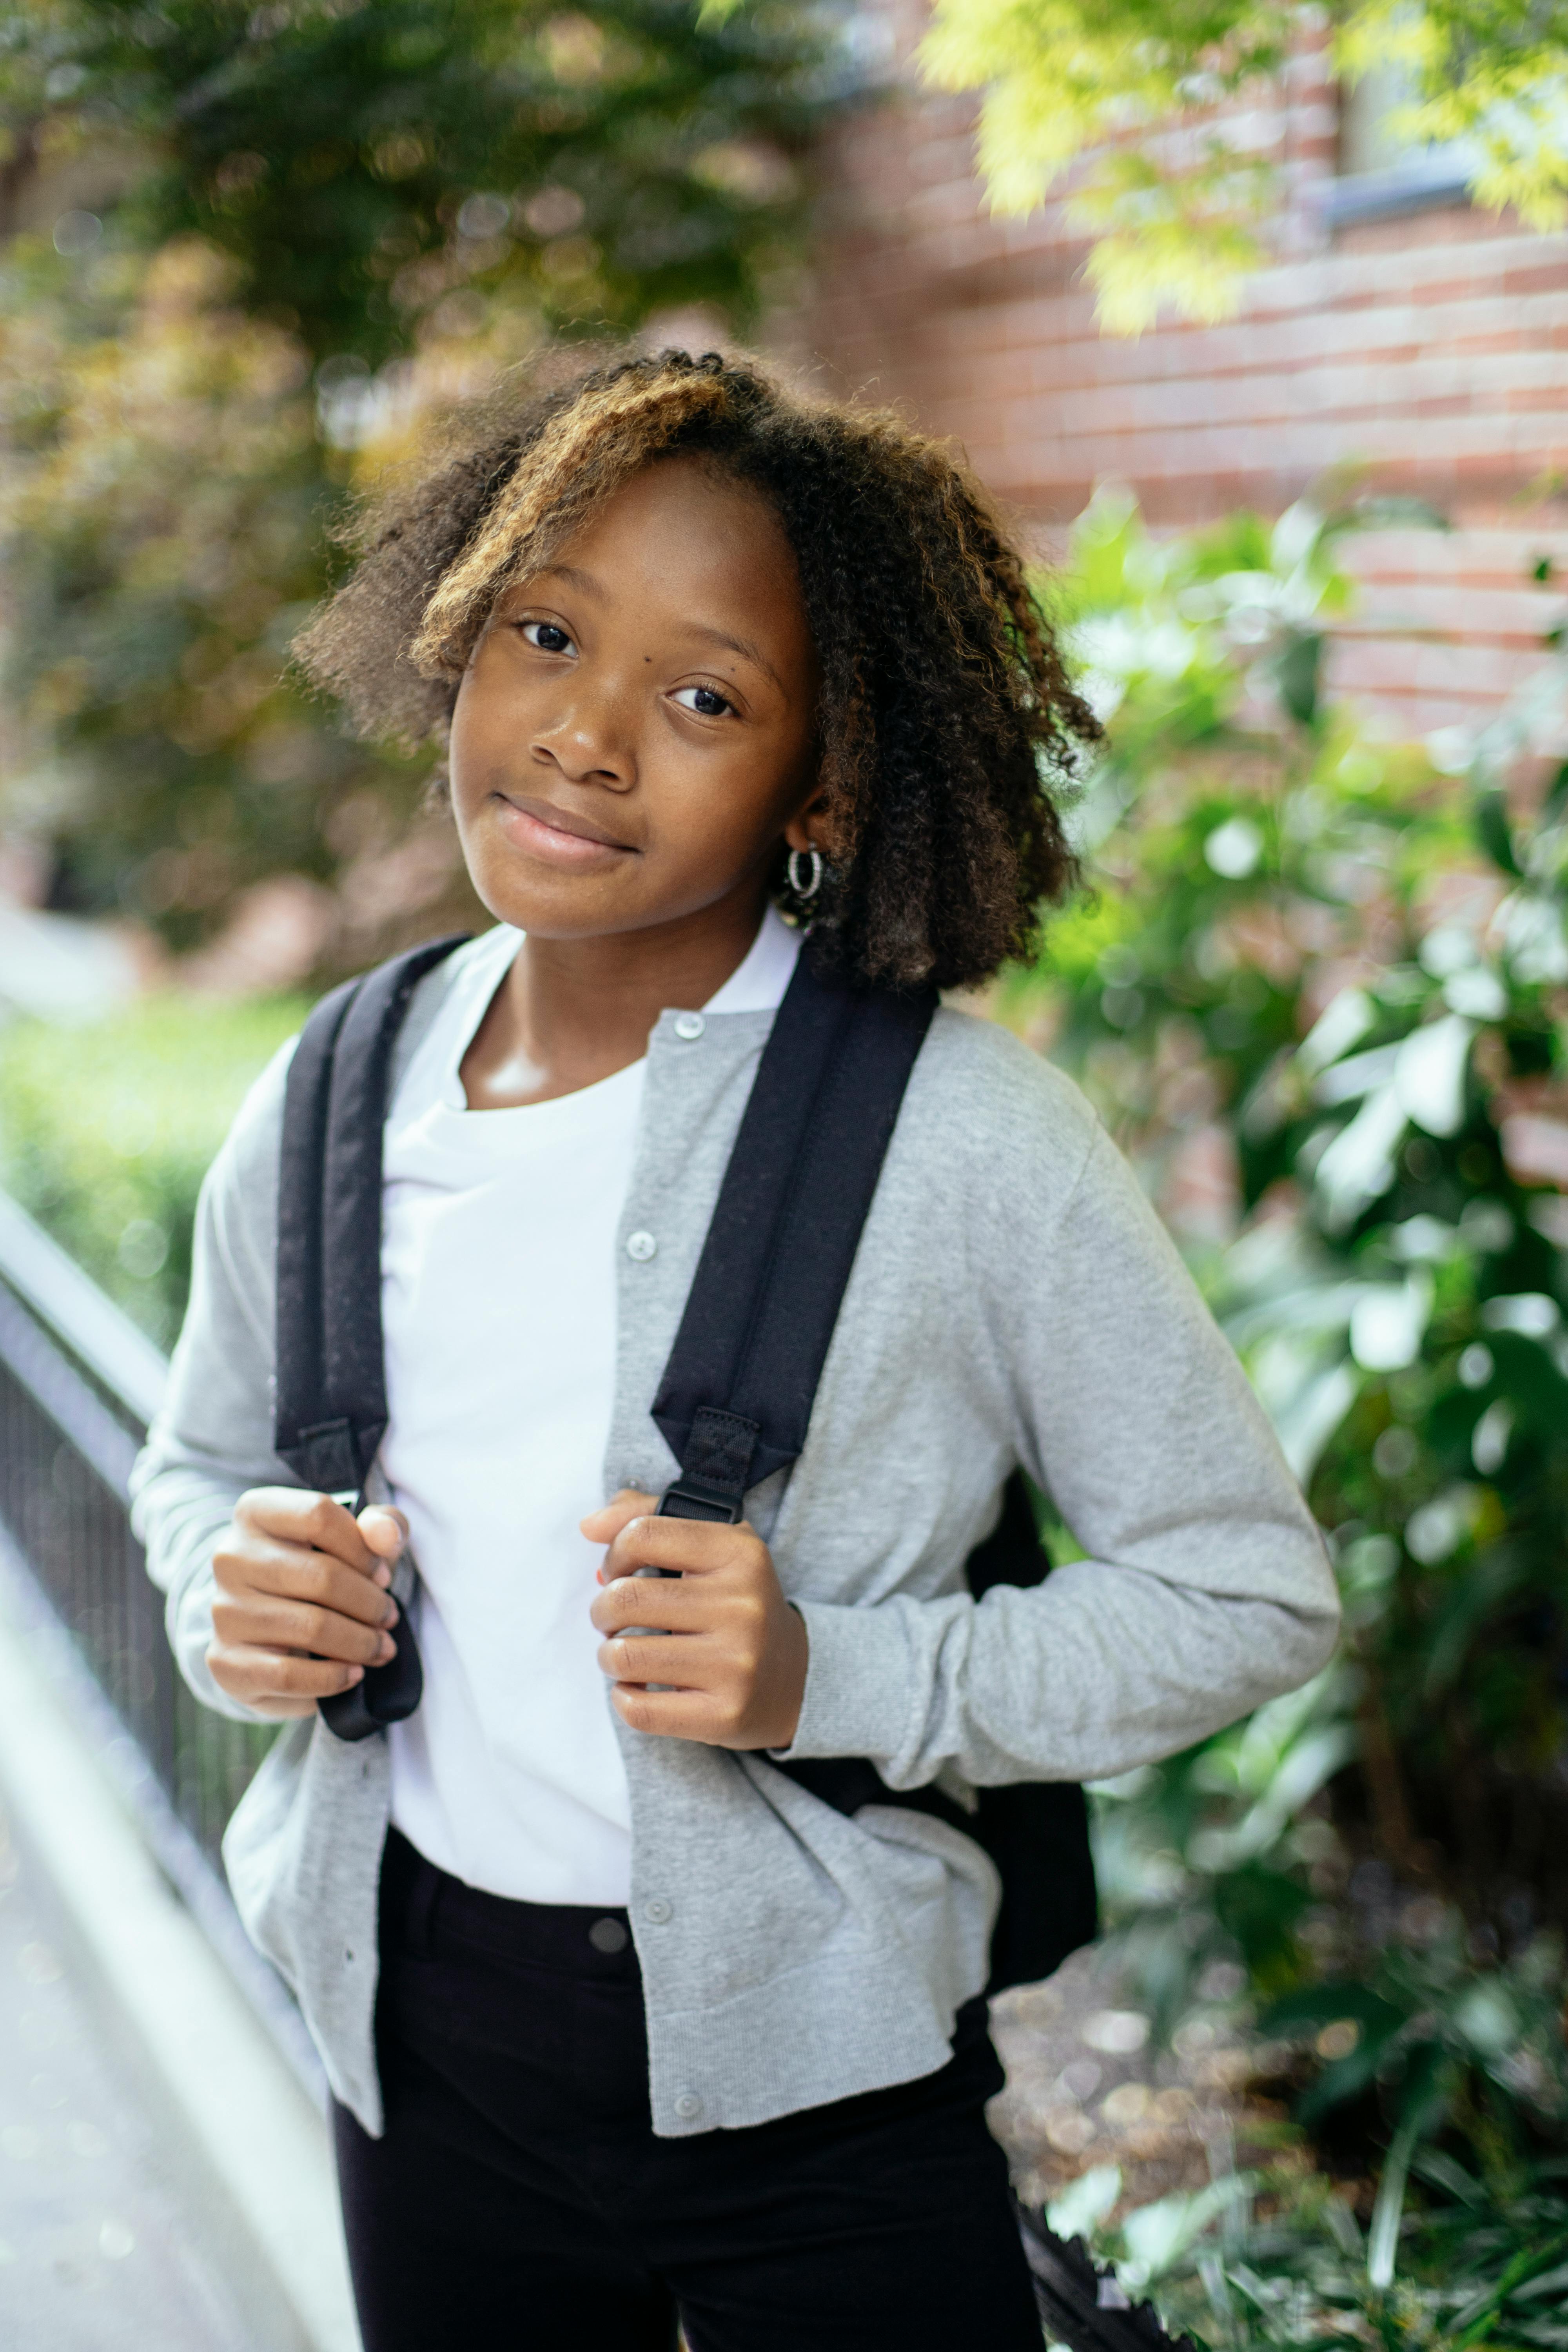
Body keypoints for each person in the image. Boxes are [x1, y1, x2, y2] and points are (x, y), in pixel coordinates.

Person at [131, 348, 1339, 2352]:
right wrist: (226, 1589)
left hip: (823, 2101)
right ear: (458, 634)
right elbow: (193, 1473)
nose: (589, 737)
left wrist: (833, 1671)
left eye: (707, 698)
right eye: (543, 633)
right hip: (415, 2054)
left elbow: (1242, 1594)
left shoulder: (965, 1139)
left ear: (827, 777)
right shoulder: (333, 1090)